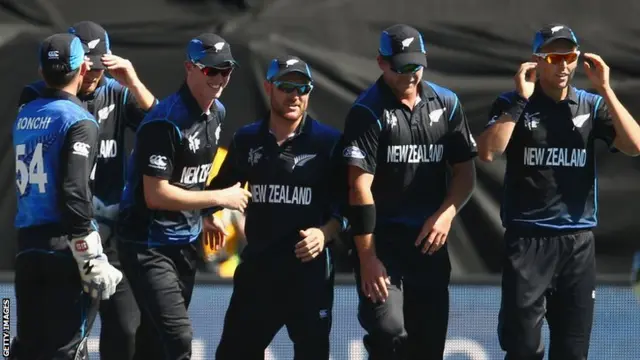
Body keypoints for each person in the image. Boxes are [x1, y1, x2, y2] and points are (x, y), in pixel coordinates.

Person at [476, 24, 640, 360]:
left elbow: (635, 145)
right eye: (554, 57)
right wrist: (521, 101)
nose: (563, 65)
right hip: (528, 240)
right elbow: (489, 151)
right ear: (538, 61)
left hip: (577, 242)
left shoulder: (590, 105)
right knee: (522, 347)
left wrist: (607, 89)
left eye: (569, 56)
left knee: (572, 350)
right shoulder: (513, 103)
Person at [17, 20, 155, 360]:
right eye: (86, 64)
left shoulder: (116, 94)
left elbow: (164, 130)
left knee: (124, 331)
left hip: (102, 236)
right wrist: (86, 248)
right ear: (77, 63)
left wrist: (134, 82)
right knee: (60, 345)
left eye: (99, 63)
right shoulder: (55, 105)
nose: (92, 72)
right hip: (74, 237)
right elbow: (73, 188)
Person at [342, 24, 477, 359]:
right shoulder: (367, 111)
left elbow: (465, 172)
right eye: (401, 66)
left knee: (427, 347)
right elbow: (359, 188)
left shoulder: (446, 103)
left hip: (429, 247)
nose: (410, 74)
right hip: (382, 244)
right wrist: (367, 258)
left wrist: (446, 214)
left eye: (415, 65)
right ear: (382, 63)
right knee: (389, 332)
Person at [116, 33, 251, 360]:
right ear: (190, 68)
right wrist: (219, 198)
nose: (220, 79)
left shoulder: (216, 112)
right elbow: (156, 195)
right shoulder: (165, 121)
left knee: (154, 342)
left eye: (227, 70)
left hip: (186, 241)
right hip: (148, 244)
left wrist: (204, 216)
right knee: (179, 338)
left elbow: (191, 180)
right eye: (211, 71)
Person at [213, 55, 345, 360]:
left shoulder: (329, 143)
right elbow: (220, 189)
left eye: (303, 87)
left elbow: (349, 207)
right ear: (268, 87)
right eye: (286, 86)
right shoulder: (247, 139)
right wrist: (211, 215)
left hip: (309, 277)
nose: (294, 95)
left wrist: (325, 233)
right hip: (259, 272)